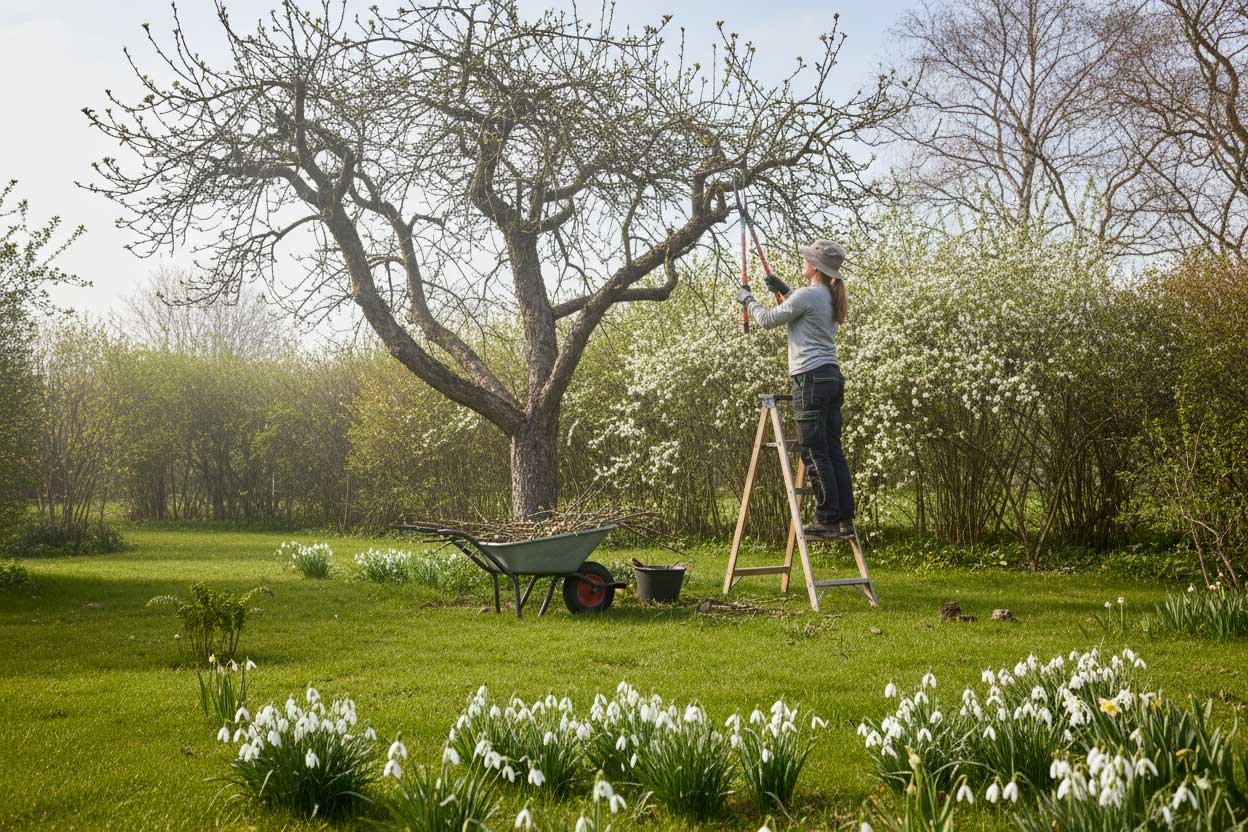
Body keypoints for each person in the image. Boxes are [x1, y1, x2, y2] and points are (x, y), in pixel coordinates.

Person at [736, 239, 855, 539]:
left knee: (813, 450)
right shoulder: (829, 296)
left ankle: (827, 520)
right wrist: (785, 291)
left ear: (815, 267)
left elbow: (767, 320)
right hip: (831, 377)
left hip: (809, 379)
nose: (804, 261)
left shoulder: (808, 295)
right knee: (833, 450)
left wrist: (748, 300)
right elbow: (804, 314)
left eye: (807, 259)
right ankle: (844, 519)